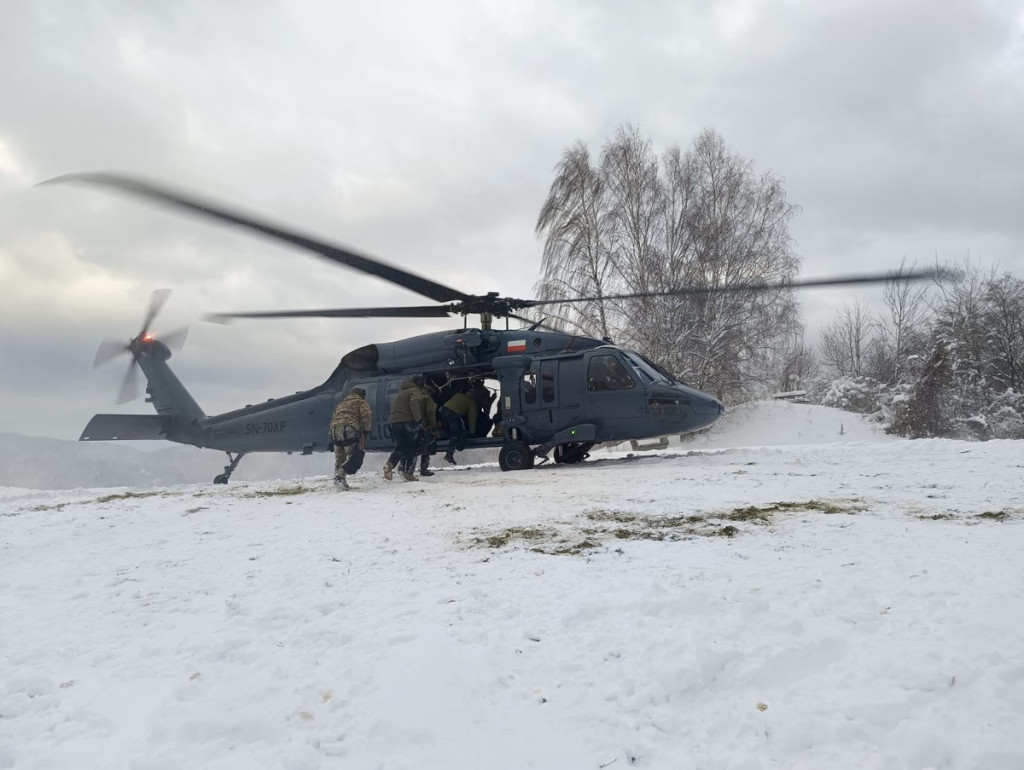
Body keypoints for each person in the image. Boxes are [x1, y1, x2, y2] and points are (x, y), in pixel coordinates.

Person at [384, 374, 426, 482]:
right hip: (407, 422)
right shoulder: (414, 391)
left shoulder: (401, 393)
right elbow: (414, 402)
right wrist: (418, 419)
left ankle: (390, 465)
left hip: (394, 423)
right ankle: (408, 473)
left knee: (400, 447)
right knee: (414, 447)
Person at [329, 386, 372, 490]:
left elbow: (332, 419)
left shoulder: (340, 404)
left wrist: (331, 438)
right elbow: (367, 416)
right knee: (356, 456)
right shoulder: (361, 402)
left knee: (340, 457)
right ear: (361, 395)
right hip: (348, 430)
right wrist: (366, 430)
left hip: (334, 431)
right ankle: (340, 476)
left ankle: (338, 480)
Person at [439, 383, 477, 464]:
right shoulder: (471, 402)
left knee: (453, 428)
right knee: (455, 435)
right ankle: (449, 455)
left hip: (443, 410)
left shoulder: (458, 395)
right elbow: (472, 418)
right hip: (453, 414)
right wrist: (472, 431)